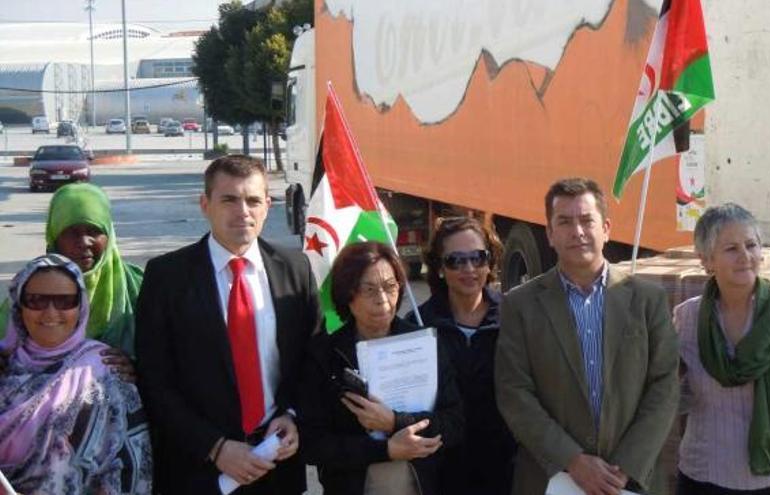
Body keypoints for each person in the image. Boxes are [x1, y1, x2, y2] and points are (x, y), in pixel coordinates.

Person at [135, 155, 320, 494]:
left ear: (268, 205)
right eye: (229, 199)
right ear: (205, 204)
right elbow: (154, 380)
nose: (243, 211)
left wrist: (293, 414)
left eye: (252, 200)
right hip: (199, 472)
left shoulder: (295, 270)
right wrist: (216, 447)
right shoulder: (167, 277)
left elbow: (313, 359)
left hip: (276, 466)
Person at [495, 177, 680, 495]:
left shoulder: (648, 299)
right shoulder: (520, 305)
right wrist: (573, 460)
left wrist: (624, 467)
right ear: (550, 234)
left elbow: (664, 386)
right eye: (564, 222)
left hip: (633, 481)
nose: (577, 232)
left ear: (606, 228)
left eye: (586, 220)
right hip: (553, 479)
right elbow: (514, 393)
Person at [673, 203, 770, 495]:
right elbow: (674, 395)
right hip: (706, 474)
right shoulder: (687, 319)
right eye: (731, 248)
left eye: (751, 245)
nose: (745, 257)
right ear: (706, 260)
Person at [297, 241, 464, 495]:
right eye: (369, 289)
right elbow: (313, 444)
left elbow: (453, 423)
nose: (383, 300)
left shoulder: (424, 344)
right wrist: (384, 450)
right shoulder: (326, 354)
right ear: (347, 293)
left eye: (390, 287)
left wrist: (395, 422)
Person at [0, 254, 152, 494]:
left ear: (80, 308)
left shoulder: (105, 369)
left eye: (65, 301)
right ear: (19, 306)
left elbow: (131, 461)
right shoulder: (4, 365)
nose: (50, 313)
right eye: (36, 300)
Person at [408, 216, 515, 494]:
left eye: (478, 258)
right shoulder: (418, 324)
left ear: (489, 262)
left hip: (503, 469)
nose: (469, 268)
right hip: (441, 471)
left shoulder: (515, 318)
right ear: (440, 268)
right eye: (456, 260)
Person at [0, 183, 141, 380]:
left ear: (109, 235)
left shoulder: (142, 288)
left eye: (94, 231)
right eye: (72, 231)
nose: (84, 242)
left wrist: (137, 367)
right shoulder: (29, 288)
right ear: (54, 237)